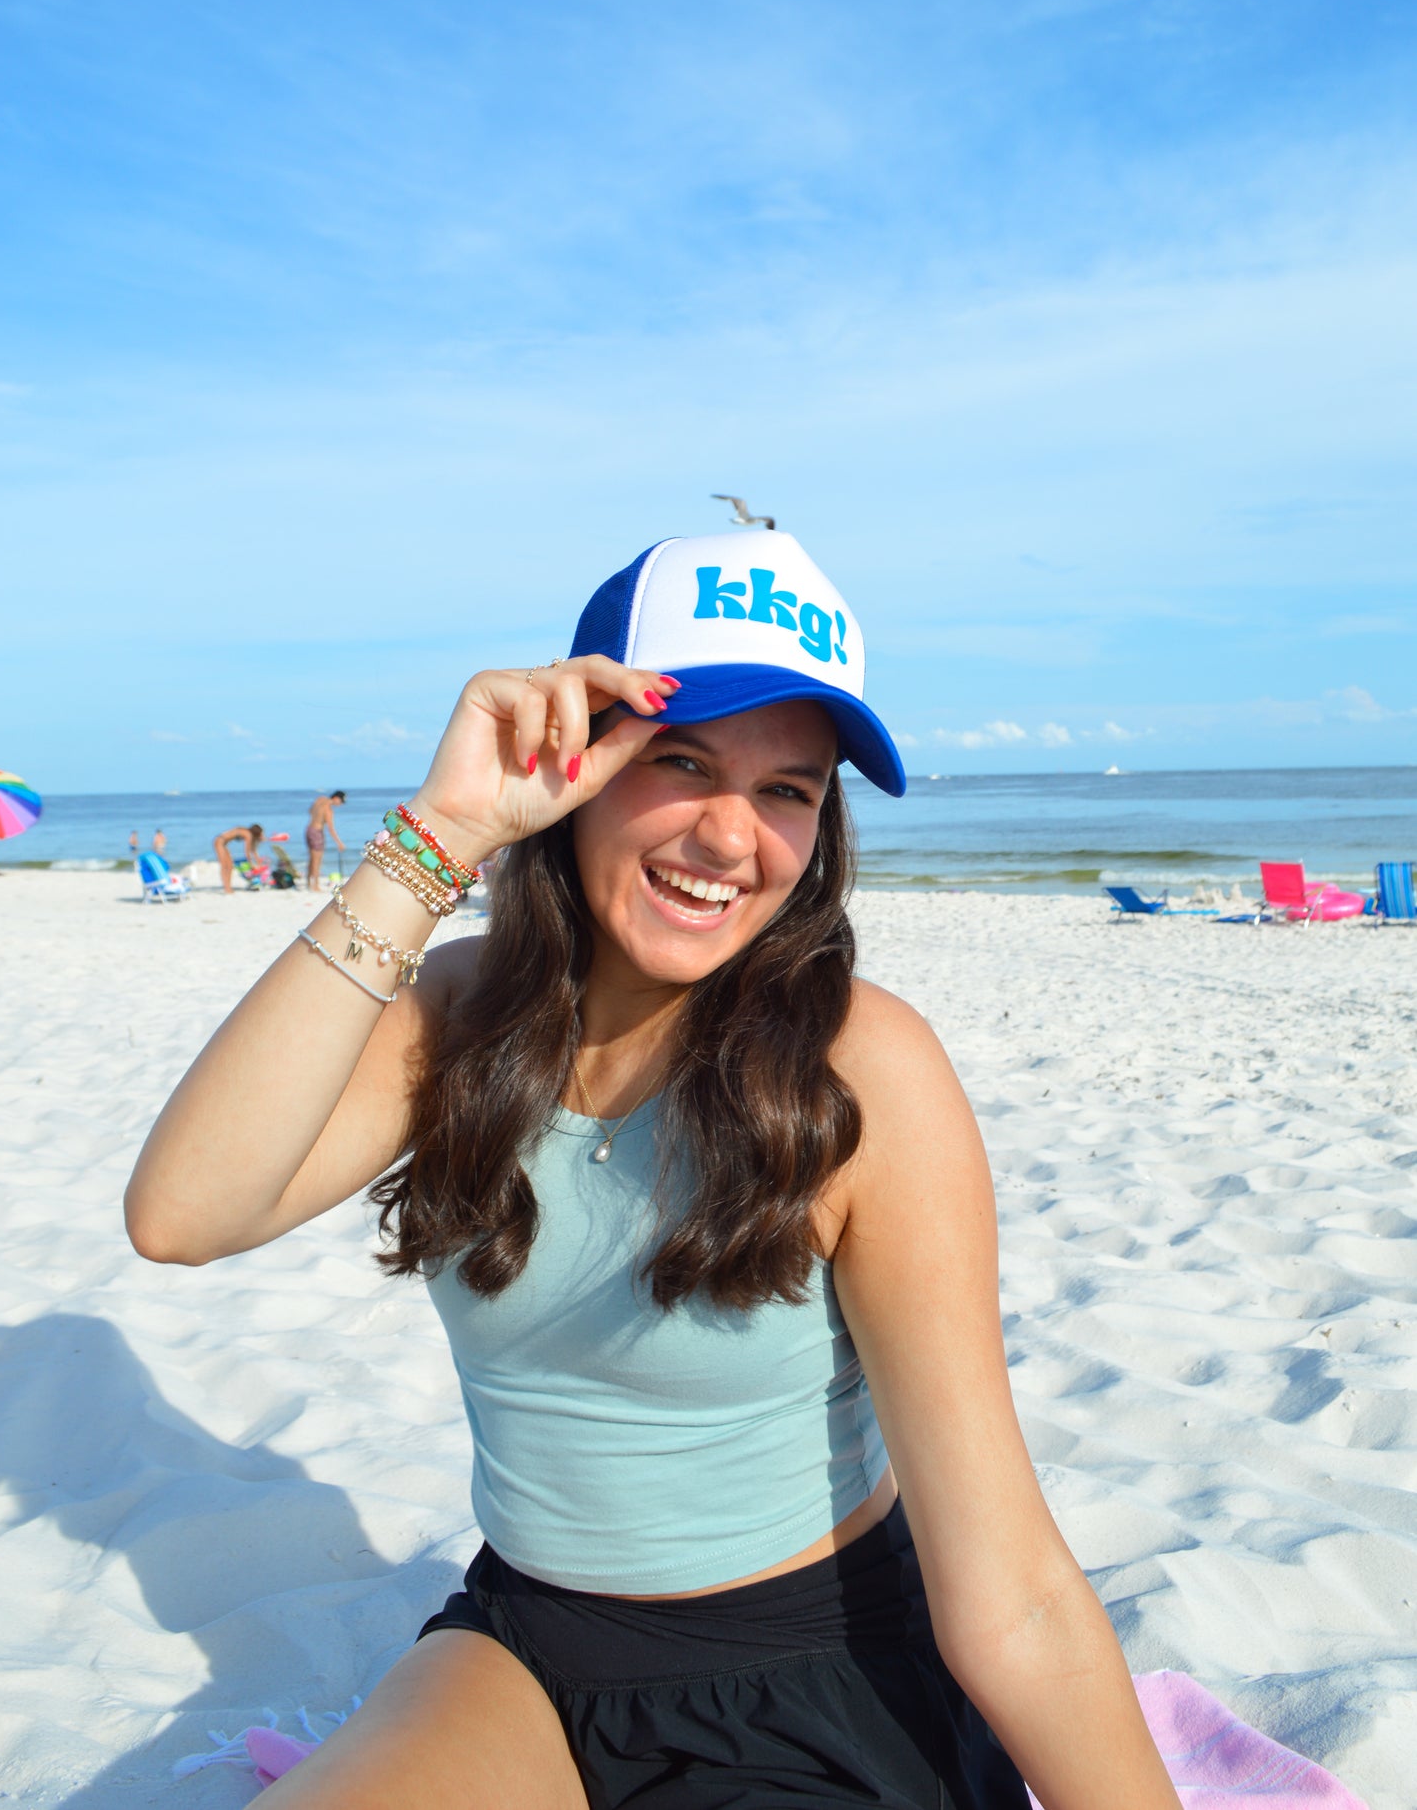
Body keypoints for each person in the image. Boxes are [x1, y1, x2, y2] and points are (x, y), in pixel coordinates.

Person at [125, 532, 1179, 1810]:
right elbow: (184, 1214)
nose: (731, 837)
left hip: (807, 1660)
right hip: (521, 1643)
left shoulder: (860, 1069)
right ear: (572, 759)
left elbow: (1006, 1582)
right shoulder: (458, 1016)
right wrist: (439, 832)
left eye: (788, 788)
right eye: (679, 761)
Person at [305, 790, 347, 891]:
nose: (340, 804)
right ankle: (315, 885)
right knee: (317, 860)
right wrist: (339, 843)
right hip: (317, 832)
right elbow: (331, 829)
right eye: (341, 802)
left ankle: (308, 882)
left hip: (309, 830)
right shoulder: (329, 810)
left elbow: (310, 811)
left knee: (311, 858)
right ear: (336, 798)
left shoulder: (320, 799)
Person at [212, 823, 265, 895]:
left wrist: (259, 863)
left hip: (223, 843)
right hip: (220, 841)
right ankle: (227, 888)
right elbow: (247, 852)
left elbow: (253, 850)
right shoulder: (248, 834)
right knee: (225, 866)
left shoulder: (248, 833)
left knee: (230, 866)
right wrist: (251, 864)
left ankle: (228, 888)